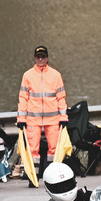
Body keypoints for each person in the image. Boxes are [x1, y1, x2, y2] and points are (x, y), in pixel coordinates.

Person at [17, 46, 68, 179]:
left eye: (43, 56)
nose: (40, 59)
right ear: (34, 58)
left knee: (54, 150)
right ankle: (33, 176)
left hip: (53, 119)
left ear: (47, 58)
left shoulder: (56, 75)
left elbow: (61, 97)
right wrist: (21, 119)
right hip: (33, 119)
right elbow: (23, 98)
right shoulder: (27, 75)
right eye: (38, 56)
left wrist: (63, 116)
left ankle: (54, 176)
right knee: (33, 149)